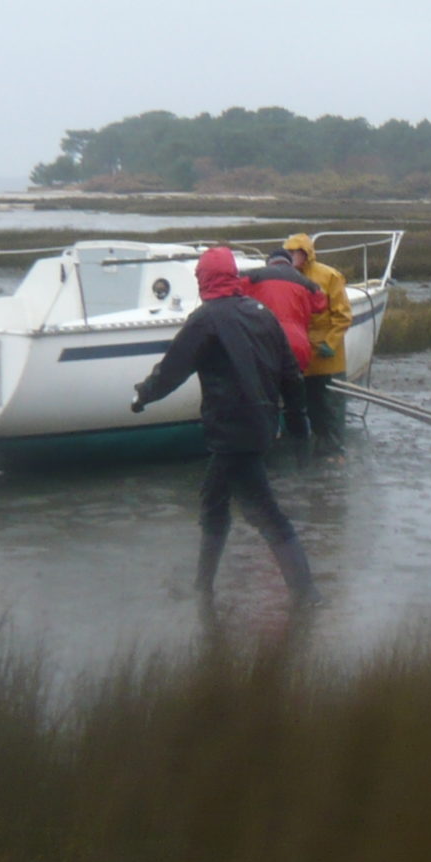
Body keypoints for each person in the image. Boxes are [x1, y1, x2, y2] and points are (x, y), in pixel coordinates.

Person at [131, 246, 317, 604]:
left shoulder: (206, 319)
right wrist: (297, 423)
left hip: (234, 433)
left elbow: (171, 370)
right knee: (213, 503)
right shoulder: (262, 314)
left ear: (204, 279)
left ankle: (307, 594)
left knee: (265, 514)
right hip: (259, 426)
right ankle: (203, 586)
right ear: (232, 276)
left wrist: (142, 397)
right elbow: (291, 375)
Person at [242, 248, 327, 449]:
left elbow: (234, 294)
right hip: (297, 347)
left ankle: (268, 450)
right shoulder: (306, 283)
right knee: (296, 406)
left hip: (265, 345)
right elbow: (321, 304)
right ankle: (301, 451)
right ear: (288, 262)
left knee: (266, 403)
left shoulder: (253, 277)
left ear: (269, 261)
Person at [284, 232, 353, 455]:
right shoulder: (286, 277)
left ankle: (335, 452)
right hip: (303, 358)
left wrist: (331, 343)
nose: (293, 256)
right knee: (310, 408)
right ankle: (313, 452)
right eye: (290, 251)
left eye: (296, 251)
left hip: (329, 358)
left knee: (332, 408)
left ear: (306, 253)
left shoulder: (329, 276)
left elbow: (342, 315)